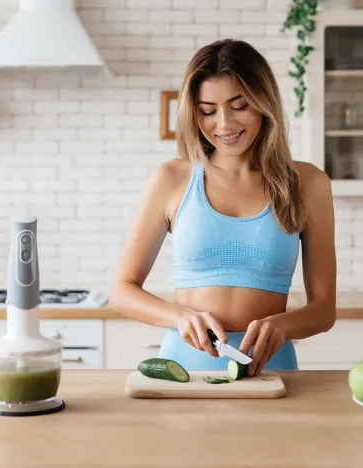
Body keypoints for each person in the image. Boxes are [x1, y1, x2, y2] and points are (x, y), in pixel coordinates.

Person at [109, 39, 336, 375]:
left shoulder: (308, 183)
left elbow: (324, 310)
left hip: (272, 371)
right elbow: (122, 291)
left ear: (263, 102)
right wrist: (180, 315)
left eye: (239, 105)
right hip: (184, 370)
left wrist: (283, 325)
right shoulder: (171, 179)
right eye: (207, 111)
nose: (225, 124)